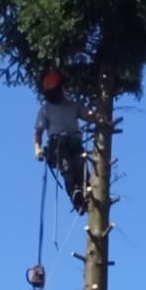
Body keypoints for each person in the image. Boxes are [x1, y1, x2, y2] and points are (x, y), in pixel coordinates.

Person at [34, 71, 89, 212]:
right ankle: (75, 194)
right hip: (57, 143)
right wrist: (38, 148)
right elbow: (39, 131)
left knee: (80, 162)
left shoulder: (72, 106)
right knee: (67, 167)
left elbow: (89, 115)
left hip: (74, 141)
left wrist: (100, 118)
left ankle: (86, 190)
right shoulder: (46, 109)